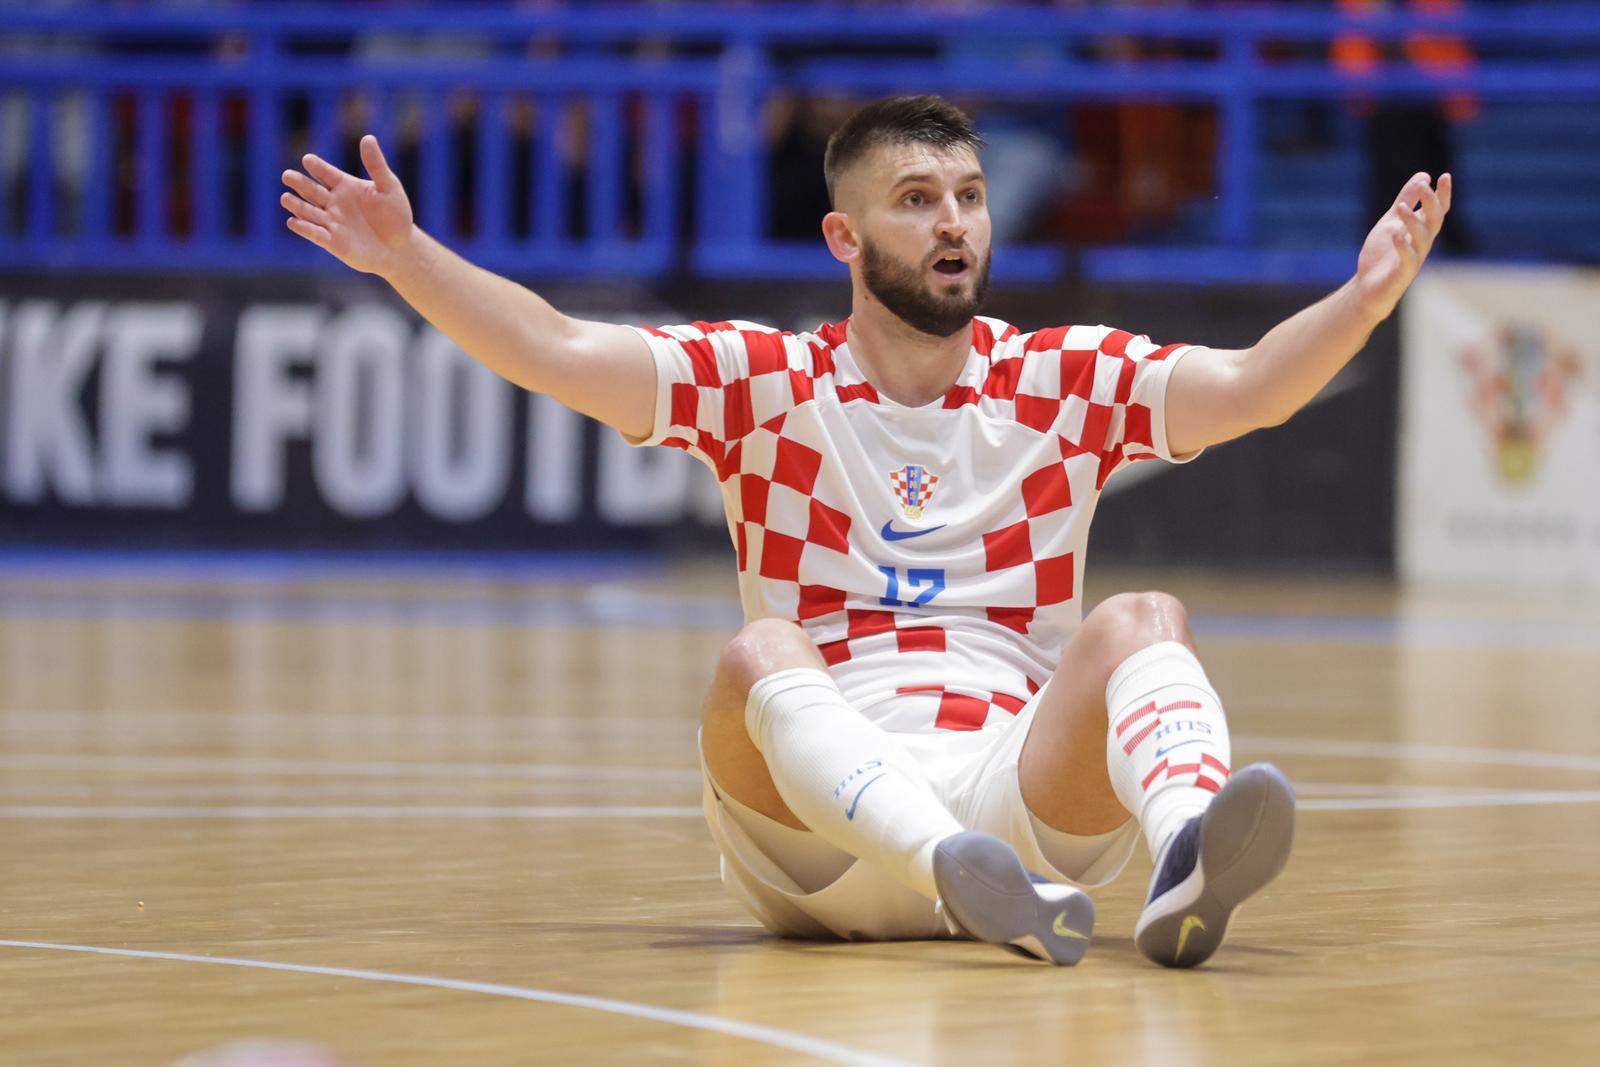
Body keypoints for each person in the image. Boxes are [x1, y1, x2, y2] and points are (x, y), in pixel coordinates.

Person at [281, 94, 1450, 968]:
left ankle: (1186, 852)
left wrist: (1364, 299)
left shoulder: (1066, 377)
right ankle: (943, 864)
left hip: (1016, 794)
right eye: (917, 200)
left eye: (971, 196)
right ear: (845, 239)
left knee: (1145, 618)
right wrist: (404, 256)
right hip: (819, 838)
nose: (955, 223)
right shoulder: (766, 381)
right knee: (757, 658)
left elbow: (1249, 385)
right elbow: (552, 345)